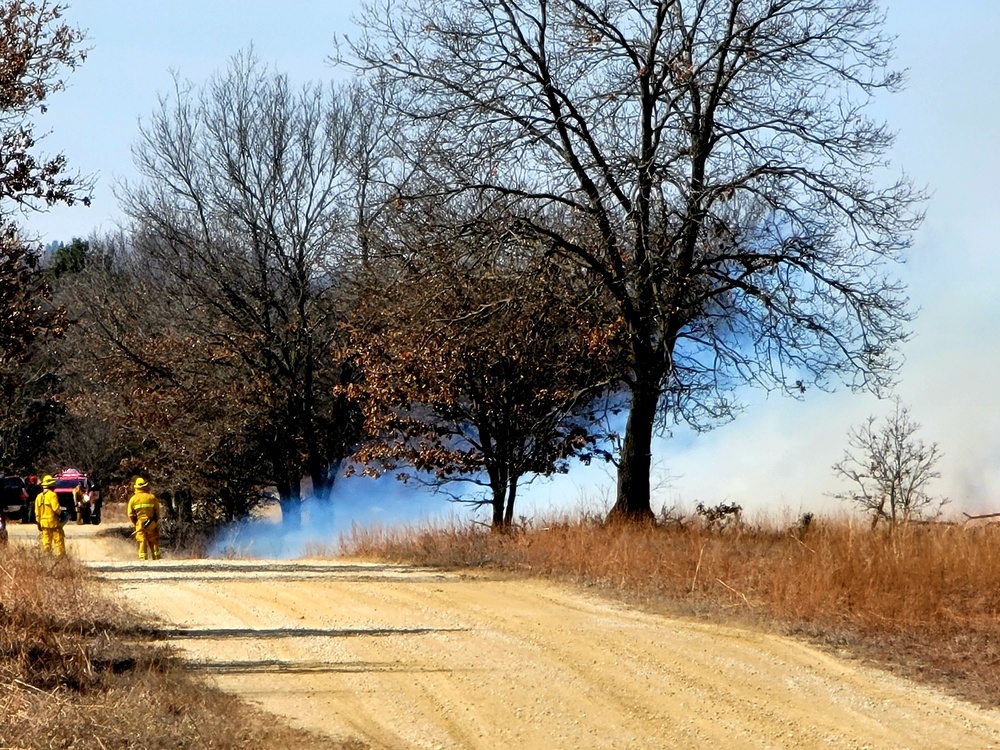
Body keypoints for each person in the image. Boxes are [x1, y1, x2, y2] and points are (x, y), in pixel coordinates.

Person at [126, 477, 161, 561]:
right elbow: (157, 512)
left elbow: (130, 514)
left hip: (140, 523)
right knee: (153, 540)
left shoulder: (133, 499)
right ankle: (157, 559)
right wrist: (155, 522)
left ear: (136, 487)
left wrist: (136, 523)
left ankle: (143, 559)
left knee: (142, 541)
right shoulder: (152, 497)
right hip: (151, 523)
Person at [35, 475, 65, 556]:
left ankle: (47, 557)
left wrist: (38, 523)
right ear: (51, 485)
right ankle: (60, 558)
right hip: (54, 523)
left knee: (46, 542)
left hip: (43, 524)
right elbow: (56, 509)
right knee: (58, 540)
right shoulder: (52, 495)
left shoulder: (38, 497)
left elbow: (37, 513)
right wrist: (62, 514)